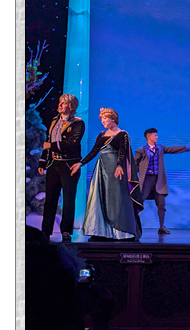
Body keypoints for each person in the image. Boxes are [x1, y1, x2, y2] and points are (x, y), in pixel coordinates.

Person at [70, 108, 143, 241]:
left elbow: (122, 151)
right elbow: (94, 151)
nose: (102, 121)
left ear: (113, 119)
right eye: (102, 119)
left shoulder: (122, 134)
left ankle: (120, 232)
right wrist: (81, 163)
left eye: (105, 118)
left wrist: (119, 165)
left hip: (115, 170)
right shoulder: (101, 135)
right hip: (101, 169)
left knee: (116, 199)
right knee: (99, 198)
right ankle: (100, 232)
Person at [134, 128, 190, 235]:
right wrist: (141, 170)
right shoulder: (141, 150)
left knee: (161, 204)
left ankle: (162, 227)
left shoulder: (160, 148)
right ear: (149, 136)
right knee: (138, 202)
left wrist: (188, 147)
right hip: (146, 181)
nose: (157, 137)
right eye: (155, 135)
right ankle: (133, 225)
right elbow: (134, 164)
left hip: (159, 180)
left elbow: (172, 149)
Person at [38, 94, 85, 241]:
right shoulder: (54, 120)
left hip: (69, 165)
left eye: (63, 103)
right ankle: (45, 231)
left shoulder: (77, 123)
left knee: (68, 199)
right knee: (50, 199)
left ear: (71, 106)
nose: (60, 105)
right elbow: (47, 141)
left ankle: (66, 231)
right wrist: (43, 161)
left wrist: (50, 146)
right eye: (60, 102)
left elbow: (72, 144)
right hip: (54, 164)